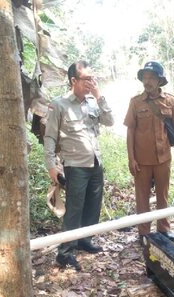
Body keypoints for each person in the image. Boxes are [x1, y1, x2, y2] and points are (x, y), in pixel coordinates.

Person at [44, 61, 114, 271]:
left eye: (93, 78)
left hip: (95, 162)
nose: (91, 83)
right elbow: (49, 136)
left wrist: (100, 96)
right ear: (73, 80)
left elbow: (110, 121)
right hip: (75, 165)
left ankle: (85, 240)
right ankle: (65, 253)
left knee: (93, 205)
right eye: (86, 79)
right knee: (74, 210)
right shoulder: (59, 104)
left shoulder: (94, 101)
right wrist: (51, 166)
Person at [124, 61, 174, 242]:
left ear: (159, 80)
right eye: (145, 77)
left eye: (151, 78)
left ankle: (163, 229)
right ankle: (144, 233)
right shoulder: (135, 102)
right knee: (142, 198)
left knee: (162, 195)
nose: (147, 81)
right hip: (141, 159)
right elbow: (130, 131)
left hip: (163, 158)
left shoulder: (170, 101)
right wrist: (131, 158)